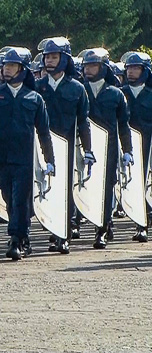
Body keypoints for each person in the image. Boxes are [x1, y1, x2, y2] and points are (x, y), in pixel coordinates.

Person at [0, 47, 55, 259]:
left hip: (24, 157)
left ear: (22, 69)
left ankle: (16, 238)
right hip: (1, 155)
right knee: (9, 197)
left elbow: (44, 132)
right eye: (5, 66)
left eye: (12, 66)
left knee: (21, 198)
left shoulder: (34, 98)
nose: (7, 69)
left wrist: (50, 160)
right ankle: (23, 236)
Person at [35, 37, 93, 254]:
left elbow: (84, 122)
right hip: (42, 145)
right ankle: (50, 228)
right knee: (45, 188)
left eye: (54, 56)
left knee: (66, 190)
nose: (49, 60)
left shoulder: (77, 89)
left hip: (67, 145)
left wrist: (88, 150)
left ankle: (63, 234)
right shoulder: (37, 86)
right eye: (47, 56)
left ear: (64, 59)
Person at [80, 48, 132, 249]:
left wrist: (127, 150)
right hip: (85, 147)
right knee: (84, 187)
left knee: (106, 188)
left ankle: (102, 228)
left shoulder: (116, 94)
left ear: (103, 68)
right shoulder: (79, 89)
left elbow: (124, 125)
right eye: (86, 65)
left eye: (93, 65)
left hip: (108, 148)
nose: (89, 69)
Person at [121, 51, 152, 242]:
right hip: (125, 145)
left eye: (136, 68)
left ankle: (142, 224)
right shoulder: (119, 93)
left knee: (144, 185)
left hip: (147, 146)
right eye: (129, 68)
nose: (131, 72)